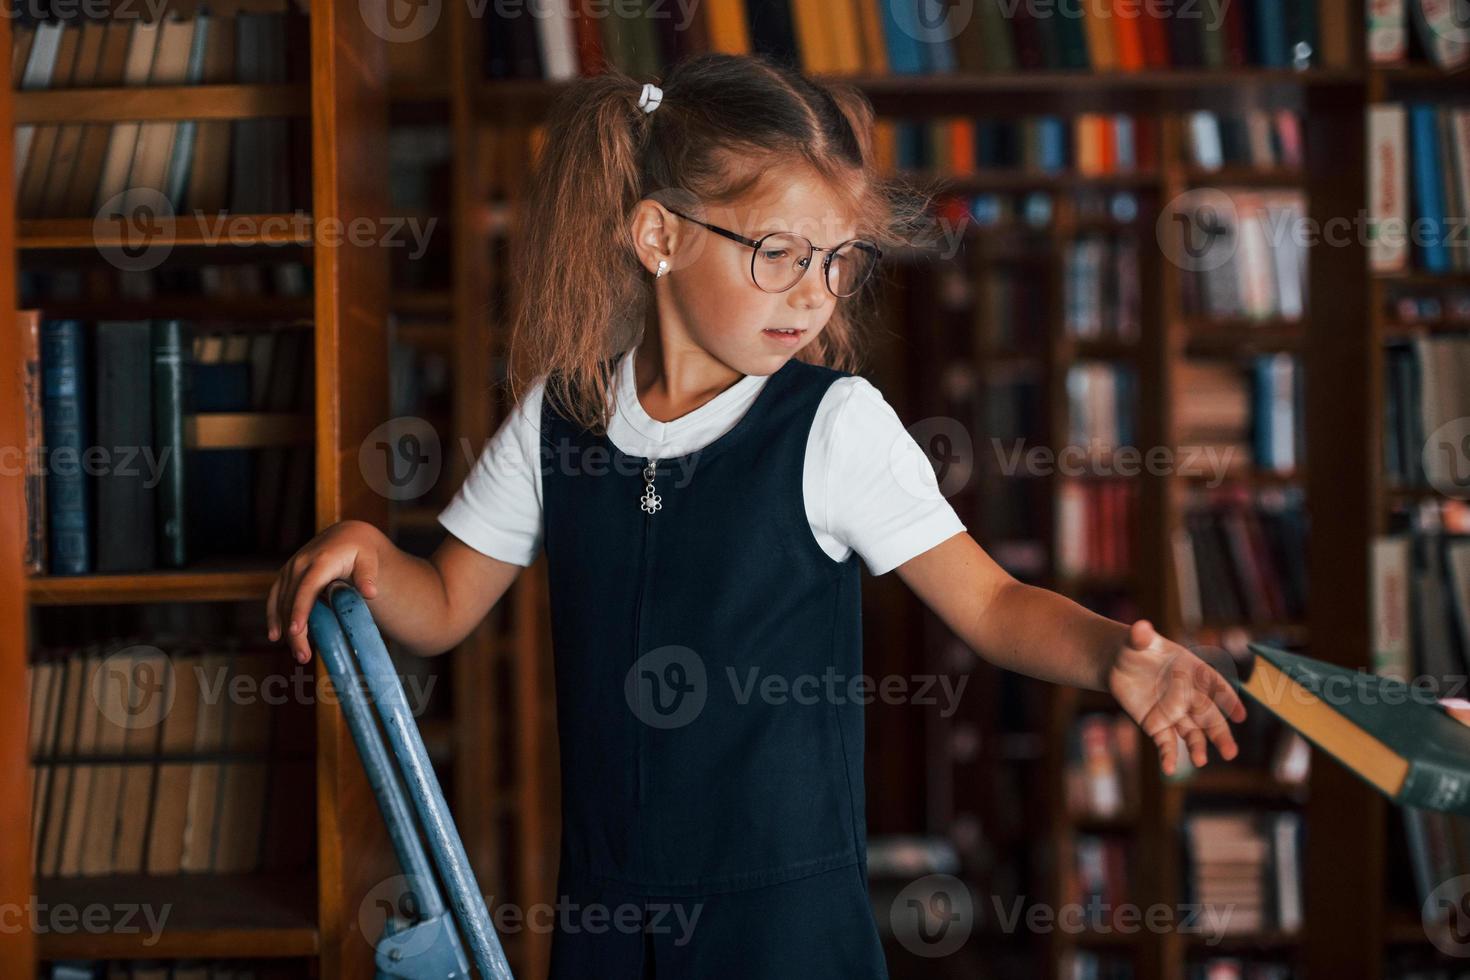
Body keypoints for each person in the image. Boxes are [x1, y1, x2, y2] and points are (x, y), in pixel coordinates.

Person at [266, 51, 1245, 980]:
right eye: (777, 253)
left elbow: (992, 605)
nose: (814, 295)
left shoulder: (836, 424)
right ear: (659, 236)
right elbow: (442, 604)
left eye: (836, 261)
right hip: (606, 919)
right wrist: (373, 556)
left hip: (784, 929)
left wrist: (1117, 654)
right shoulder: (555, 420)